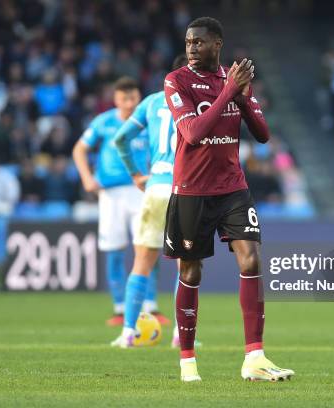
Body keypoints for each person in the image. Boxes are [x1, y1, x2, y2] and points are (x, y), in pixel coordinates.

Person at [163, 17, 294, 382]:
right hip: (191, 190)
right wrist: (228, 93)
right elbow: (192, 133)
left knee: (251, 259)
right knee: (191, 271)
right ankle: (187, 361)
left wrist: (243, 96)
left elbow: (264, 135)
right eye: (188, 42)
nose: (191, 47)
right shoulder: (177, 81)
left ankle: (255, 358)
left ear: (217, 44)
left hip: (233, 187)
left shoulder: (231, 80)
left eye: (199, 42)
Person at [72, 77, 169, 327]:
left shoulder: (147, 121)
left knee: (148, 248)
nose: (129, 103)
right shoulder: (103, 122)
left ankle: (150, 307)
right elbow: (79, 149)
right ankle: (119, 309)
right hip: (111, 195)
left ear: (139, 98)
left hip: (141, 191)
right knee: (114, 250)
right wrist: (86, 178)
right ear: (115, 100)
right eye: (124, 98)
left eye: (133, 98)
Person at [110, 55, 189, 349]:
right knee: (187, 267)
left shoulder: (152, 101)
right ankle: (182, 336)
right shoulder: (200, 101)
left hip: (155, 187)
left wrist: (136, 175)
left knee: (142, 263)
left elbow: (120, 139)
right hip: (185, 190)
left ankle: (128, 333)